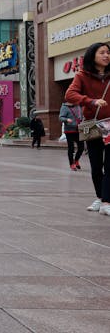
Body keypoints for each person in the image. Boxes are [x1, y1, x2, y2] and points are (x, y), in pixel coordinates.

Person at [65, 42, 110, 214]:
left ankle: (107, 202)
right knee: (96, 164)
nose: (106, 55)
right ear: (92, 56)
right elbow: (70, 94)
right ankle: (100, 197)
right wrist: (90, 101)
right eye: (102, 53)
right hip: (91, 124)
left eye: (108, 52)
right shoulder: (82, 75)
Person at [59, 101, 84, 171]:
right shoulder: (64, 107)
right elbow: (60, 117)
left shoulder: (78, 106)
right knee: (71, 148)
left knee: (81, 147)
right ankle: (71, 164)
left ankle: (76, 160)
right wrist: (66, 119)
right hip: (69, 130)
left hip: (78, 130)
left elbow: (81, 116)